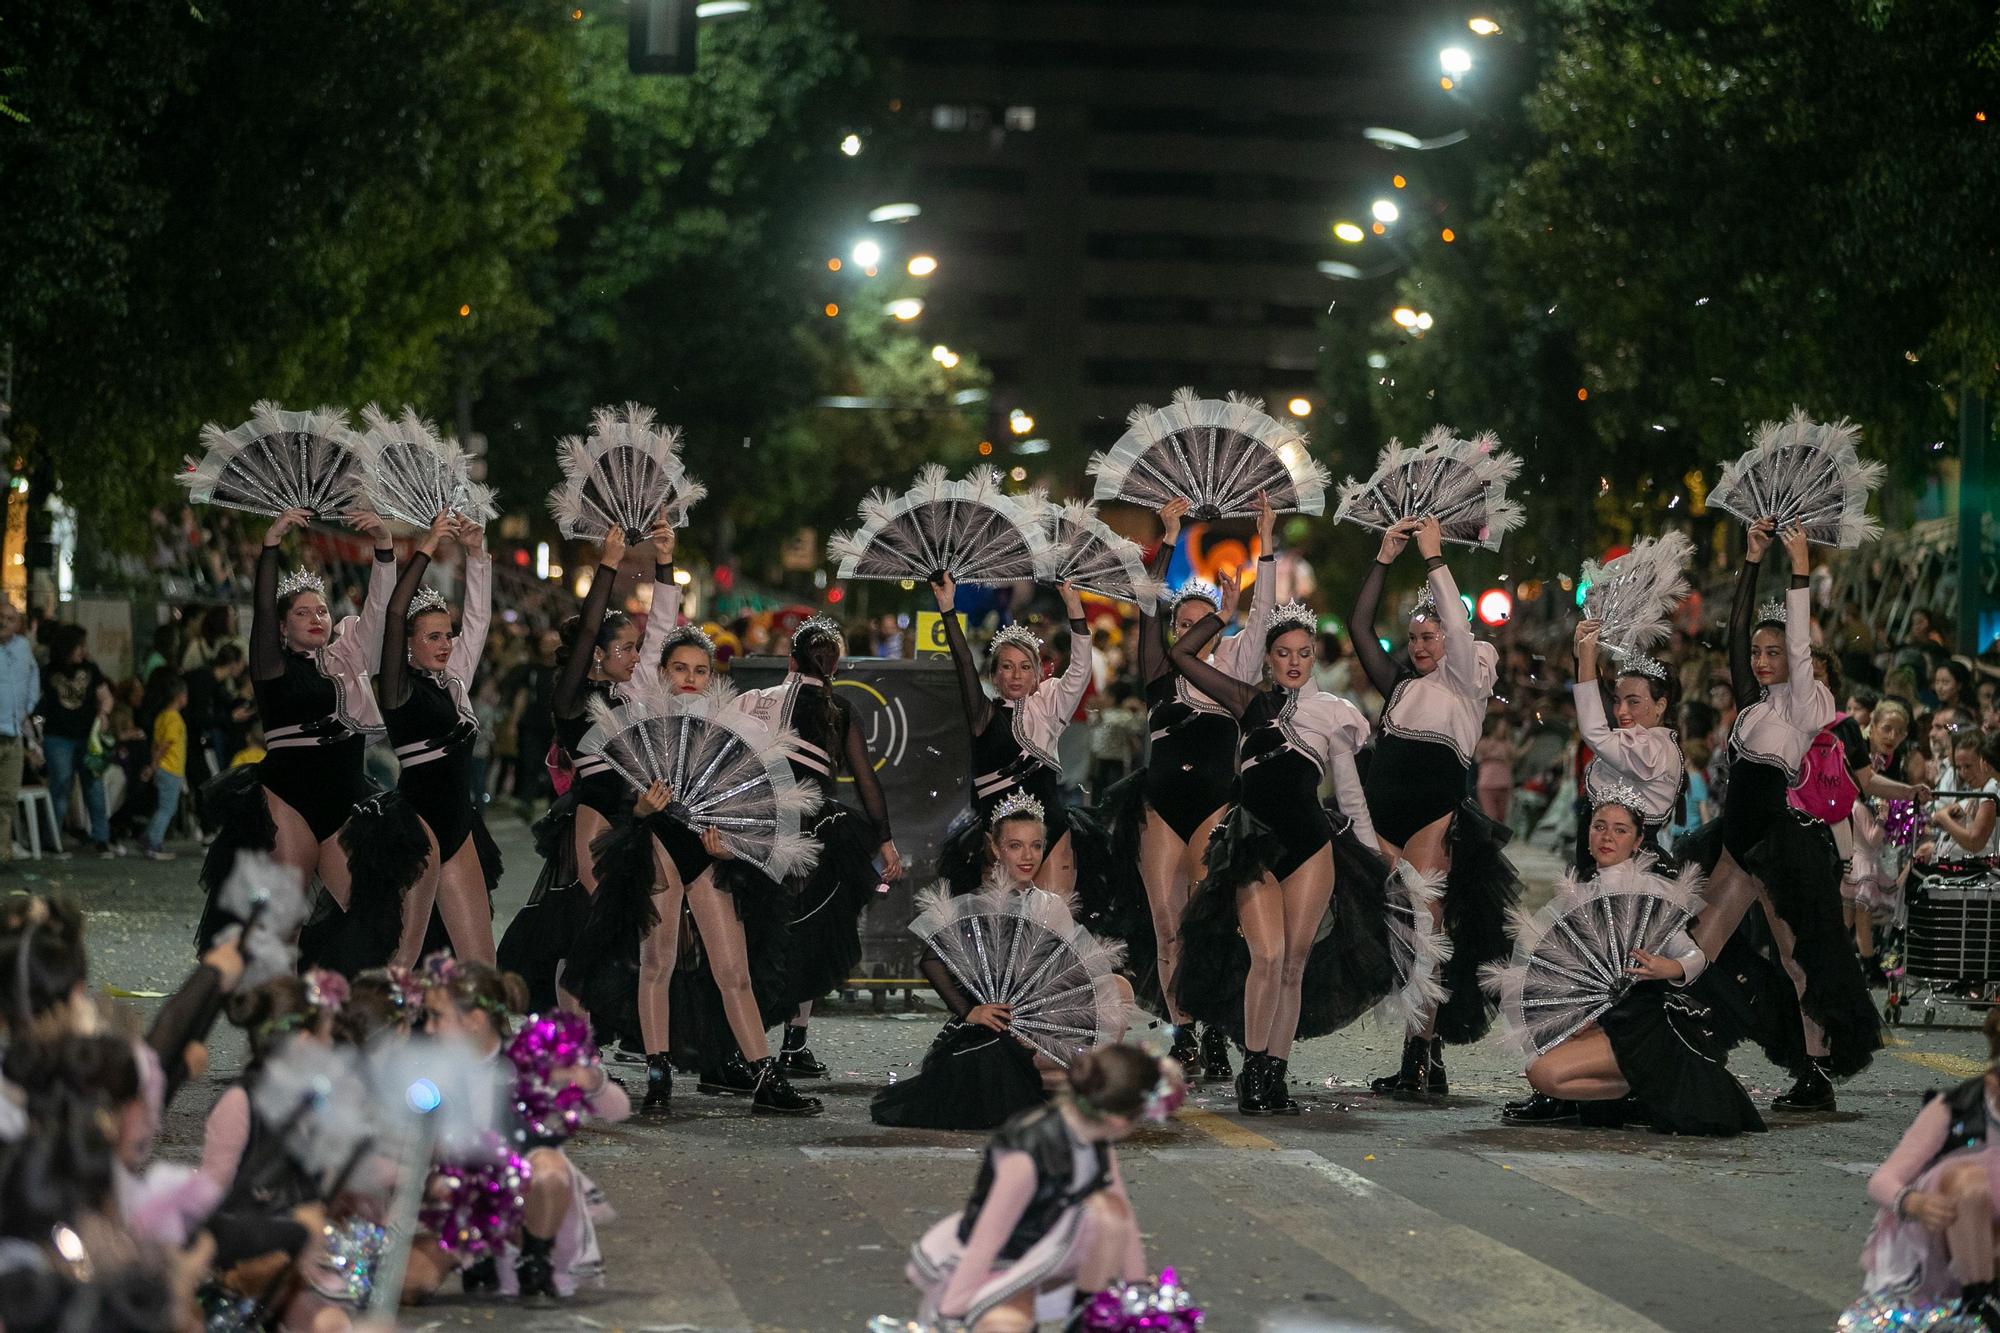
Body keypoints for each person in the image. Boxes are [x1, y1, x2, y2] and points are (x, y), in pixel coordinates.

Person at [1685, 518, 1879, 1113]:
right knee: (1698, 946)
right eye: (1757, 654)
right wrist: (1750, 559)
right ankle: (1679, 1052)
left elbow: (1798, 647)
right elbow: (1737, 628)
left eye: (1774, 653)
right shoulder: (1750, 705)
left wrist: (1797, 567)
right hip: (1736, 842)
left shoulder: (1804, 704)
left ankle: (1816, 1074)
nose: (1763, 659)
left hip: (1777, 845)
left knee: (1797, 961)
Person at [1351, 516, 1520, 1098]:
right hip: (1381, 822)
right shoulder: (1399, 685)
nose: (1421, 645)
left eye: (1432, 636)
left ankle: (1421, 1056)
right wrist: (1383, 556)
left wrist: (1432, 557)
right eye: (1415, 637)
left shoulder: (1468, 682)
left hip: (1434, 821)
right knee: (1390, 934)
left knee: (1426, 934)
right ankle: (1423, 1053)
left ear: (1453, 639)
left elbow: (1459, 625)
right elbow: (1358, 627)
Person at [1108, 494, 1269, 1082]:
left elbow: (1251, 627)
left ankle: (1221, 1026)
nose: (1190, 631)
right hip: (1160, 807)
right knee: (1167, 924)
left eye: (1201, 622)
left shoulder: (1231, 676)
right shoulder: (1159, 675)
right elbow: (1148, 605)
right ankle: (1184, 1032)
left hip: (1215, 804)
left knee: (1212, 924)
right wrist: (1169, 534)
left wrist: (1233, 604)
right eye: (1183, 622)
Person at [193, 506, 398, 965]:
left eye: (322, 610)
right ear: (283, 628)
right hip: (289, 798)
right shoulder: (271, 666)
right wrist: (271, 546)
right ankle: (276, 1015)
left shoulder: (346, 659)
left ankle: (336, 999)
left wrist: (384, 547)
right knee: (286, 918)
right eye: (302, 612)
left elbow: (381, 611)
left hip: (345, 795)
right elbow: (263, 607)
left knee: (369, 912)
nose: (317, 618)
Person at [1501, 796, 1764, 1136]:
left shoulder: (1651, 890)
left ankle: (1654, 1079)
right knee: (1539, 1068)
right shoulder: (1579, 896)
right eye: (1599, 827)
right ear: (1588, 835)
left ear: (1638, 840)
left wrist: (1667, 968)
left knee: (1543, 1073)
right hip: (1602, 1021)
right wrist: (1579, 1015)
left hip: (1646, 1024)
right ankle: (1635, 1091)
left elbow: (1695, 957)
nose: (1607, 837)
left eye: (1620, 830)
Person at [872, 795, 1130, 1131]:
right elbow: (931, 961)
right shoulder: (981, 902)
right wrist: (970, 1011)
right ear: (995, 847)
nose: (1027, 856)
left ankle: (1054, 1082)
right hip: (997, 1029)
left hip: (1041, 1023)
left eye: (1036, 846)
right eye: (1015, 846)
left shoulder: (1051, 905)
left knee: (1119, 990)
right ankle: (1055, 1084)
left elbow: (1070, 969)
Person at [903, 1044, 1176, 1333]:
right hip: (1005, 1262)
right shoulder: (1026, 1152)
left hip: (1056, 1252)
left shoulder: (1097, 1138)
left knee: (1108, 1211)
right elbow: (988, 1237)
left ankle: (1084, 1314)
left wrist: (1137, 1286)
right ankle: (1005, 1315)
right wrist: (951, 1312)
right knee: (1005, 1327)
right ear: (1118, 1119)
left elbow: (1123, 1216)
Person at [736, 610, 903, 1079]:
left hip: (761, 824)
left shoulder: (758, 700)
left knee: (753, 930)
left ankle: (737, 1043)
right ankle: (793, 1044)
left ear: (790, 663)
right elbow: (866, 780)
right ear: (834, 668)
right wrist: (885, 841)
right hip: (823, 831)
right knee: (812, 932)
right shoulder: (840, 709)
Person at [414, 957, 629, 1302]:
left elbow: (616, 1110)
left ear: (474, 1020)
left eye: (437, 1017)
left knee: (550, 1168)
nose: (428, 1029)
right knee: (408, 1285)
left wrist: (592, 1080)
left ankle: (535, 1255)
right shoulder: (430, 1071)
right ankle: (475, 1253)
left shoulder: (525, 1063)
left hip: (515, 1199)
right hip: (460, 1207)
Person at [932, 574, 1092, 893]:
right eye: (1006, 667)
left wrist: (1074, 606)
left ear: (1038, 673)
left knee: (1052, 927)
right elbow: (964, 663)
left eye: (1025, 667)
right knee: (1000, 932)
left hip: (1051, 831)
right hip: (996, 841)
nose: (1016, 675)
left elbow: (1080, 669)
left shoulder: (1051, 707)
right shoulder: (983, 713)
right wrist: (947, 608)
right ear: (993, 674)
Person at [1856, 1007, 2000, 1326]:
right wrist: (1913, 1202)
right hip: (1946, 1247)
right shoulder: (1955, 1106)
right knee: (1969, 1182)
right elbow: (1884, 1179)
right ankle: (1977, 1299)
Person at [1567, 618, 1684, 872]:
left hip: (1631, 873)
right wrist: (1581, 655)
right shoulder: (1635, 740)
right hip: (1605, 867)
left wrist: (1588, 659)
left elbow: (1594, 732)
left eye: (1633, 702)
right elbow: (1598, 719)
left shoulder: (1654, 750)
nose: (1621, 711)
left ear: (1660, 705)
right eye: (1617, 700)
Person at [36, 622, 116, 856]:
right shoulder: (49, 671)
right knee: (60, 784)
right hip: (57, 736)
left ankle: (101, 837)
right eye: (79, 646)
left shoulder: (91, 669)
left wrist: (103, 714)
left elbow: (106, 697)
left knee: (94, 784)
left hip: (87, 736)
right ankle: (51, 838)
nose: (83, 650)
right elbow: (37, 702)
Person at [0, 599, 40, 864]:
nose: (4, 622)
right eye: (0, 617)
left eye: (10, 618)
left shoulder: (23, 648)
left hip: (13, 735)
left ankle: (2, 853)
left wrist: (27, 707)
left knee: (7, 799)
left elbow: (33, 677)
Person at [141, 668, 189, 861]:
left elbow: (155, 744)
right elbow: (166, 744)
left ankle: (148, 837)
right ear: (179, 697)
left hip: (162, 768)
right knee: (167, 808)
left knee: (162, 807)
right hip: (171, 769)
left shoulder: (161, 716)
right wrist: (153, 766)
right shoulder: (174, 719)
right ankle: (154, 843)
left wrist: (152, 765)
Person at [1474, 715, 1520, 825]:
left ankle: (1496, 841)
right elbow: (1478, 756)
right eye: (1502, 726)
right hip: (1487, 784)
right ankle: (1490, 841)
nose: (1504, 728)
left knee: (1501, 816)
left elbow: (1515, 755)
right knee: (1490, 816)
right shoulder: (1484, 742)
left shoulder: (1506, 744)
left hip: (1504, 783)